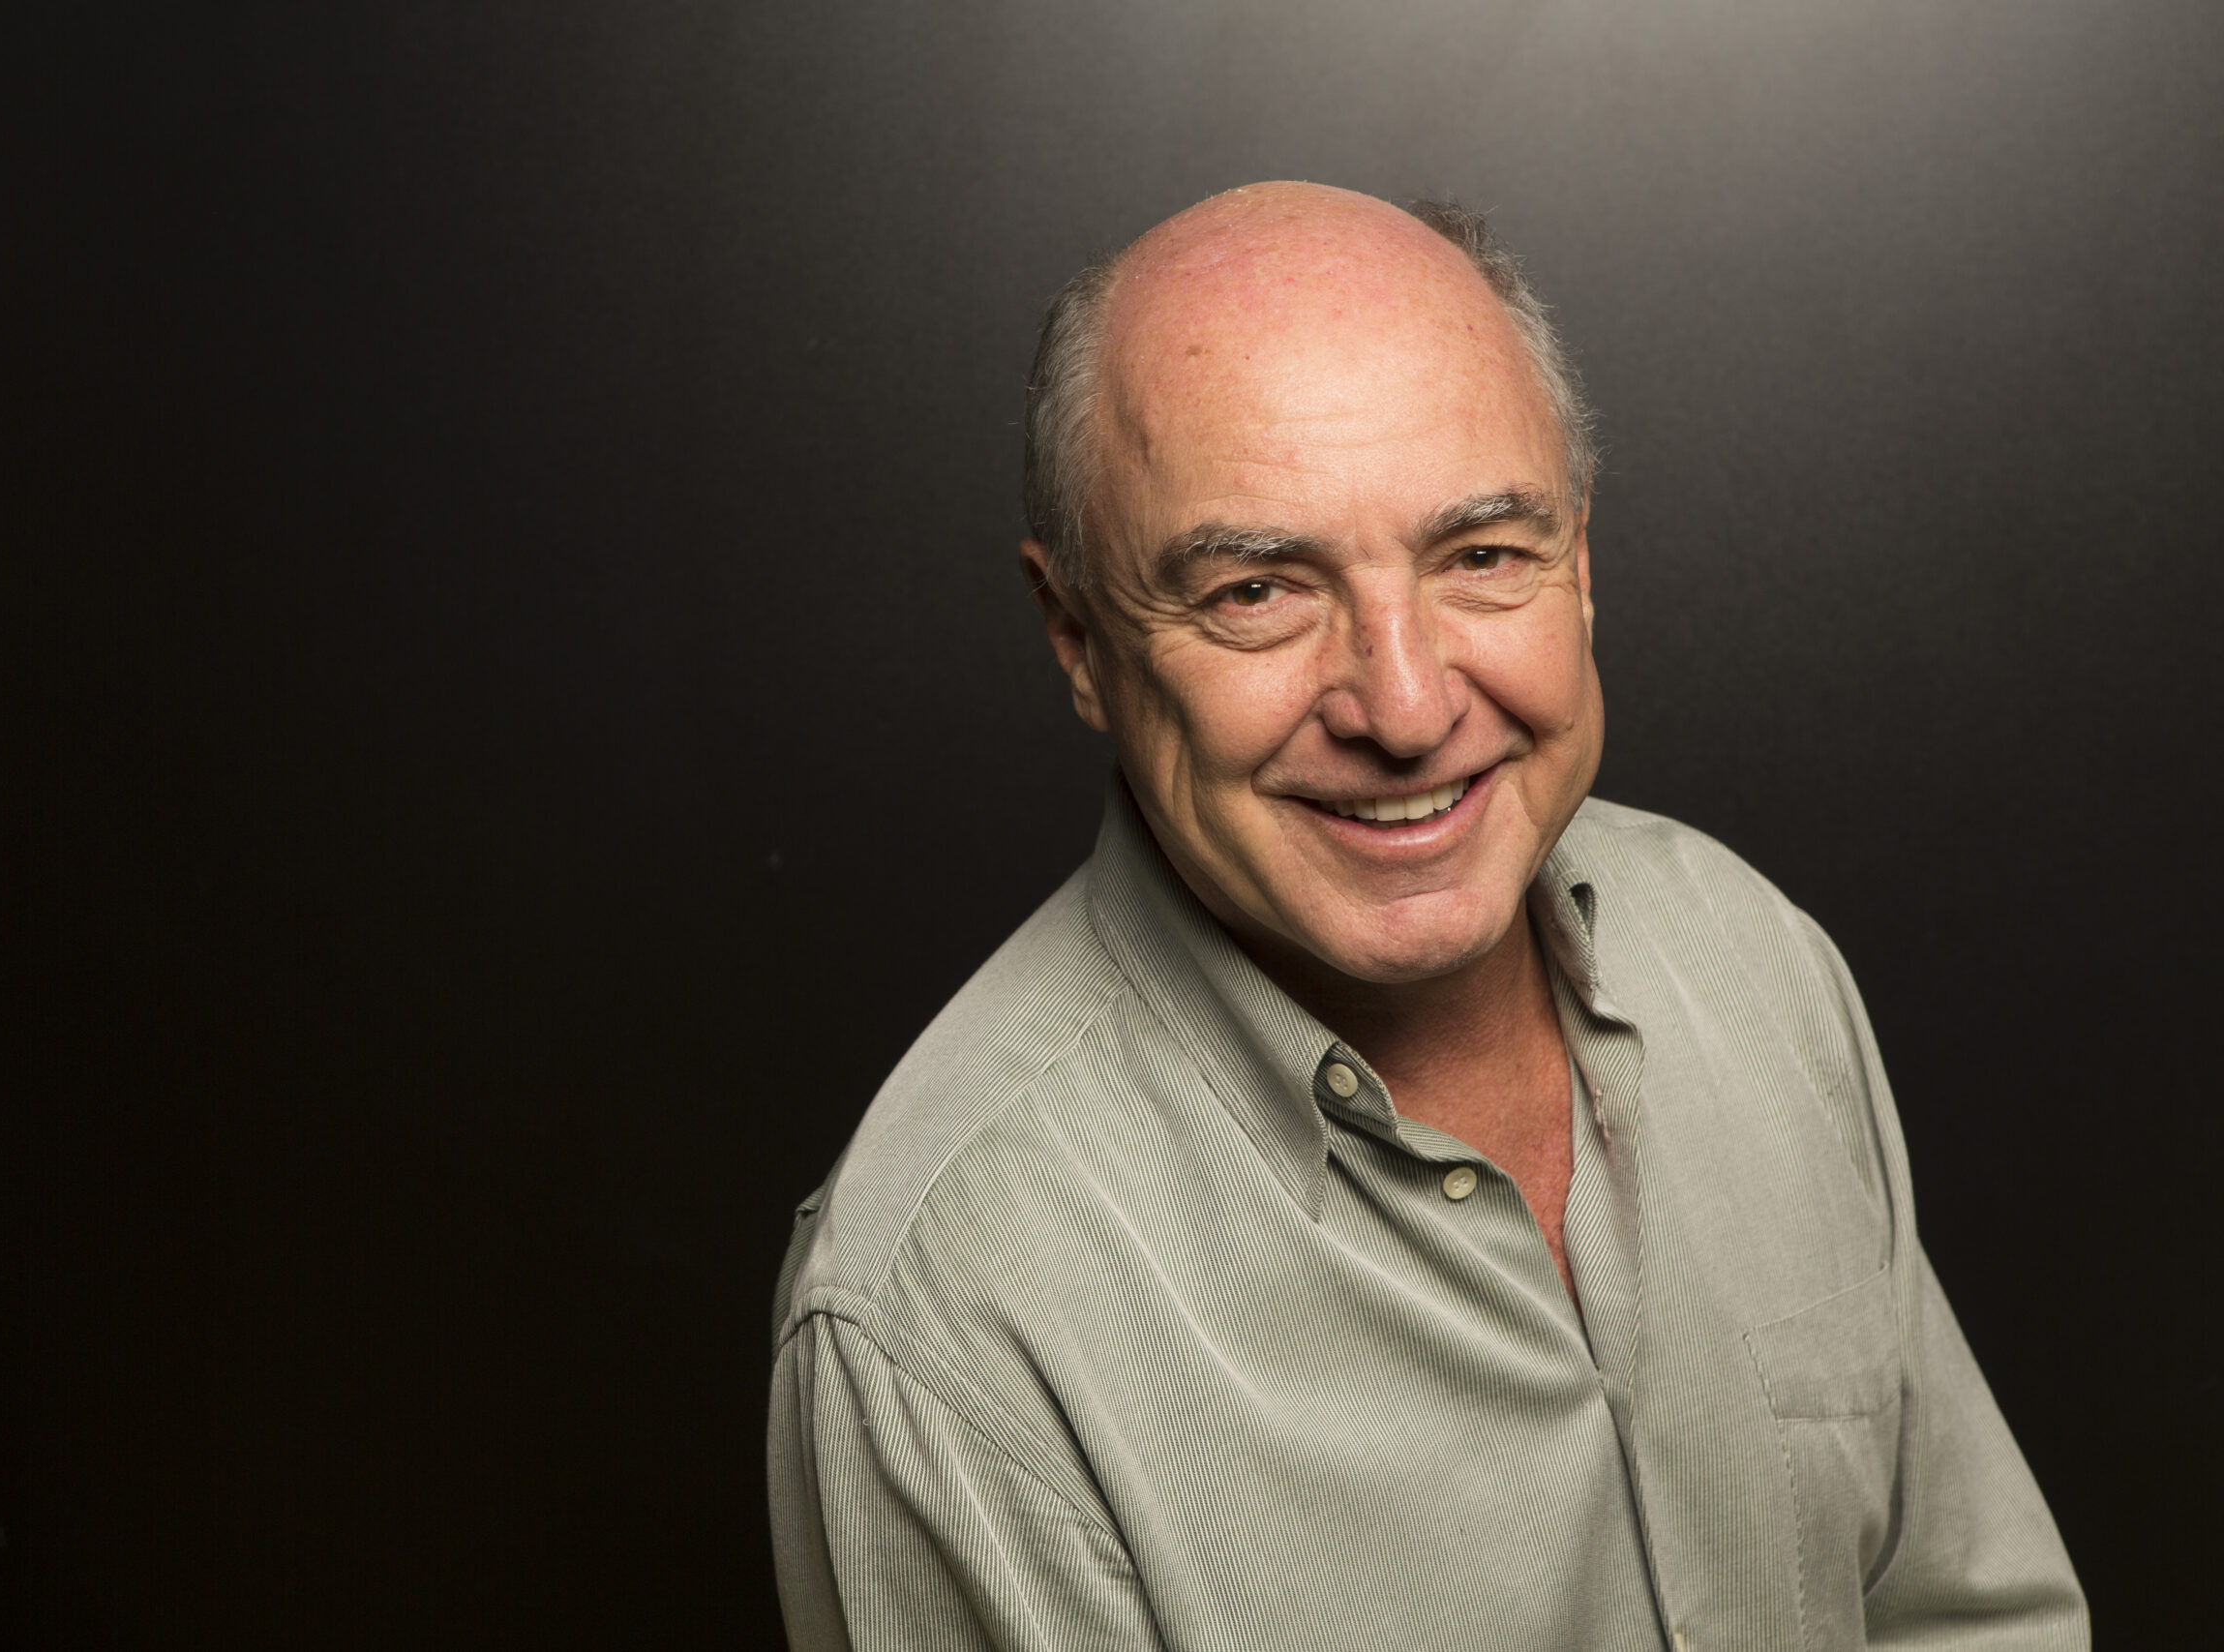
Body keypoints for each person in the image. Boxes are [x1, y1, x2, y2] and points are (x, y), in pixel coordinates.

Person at [766, 182, 2086, 1651]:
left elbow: (1968, 1619)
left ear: (1579, 564)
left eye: (1482, 557)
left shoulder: (1747, 954)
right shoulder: (941, 1321)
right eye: (1256, 591)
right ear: (1077, 638)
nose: (1402, 708)